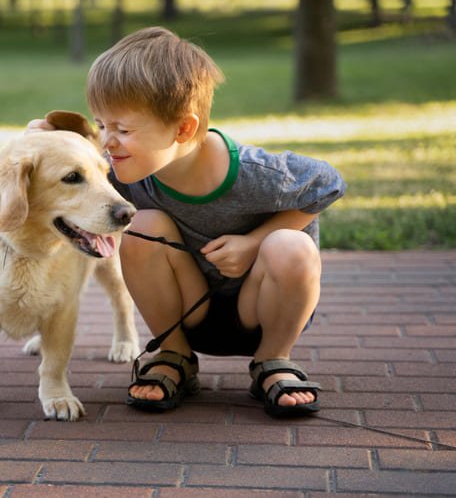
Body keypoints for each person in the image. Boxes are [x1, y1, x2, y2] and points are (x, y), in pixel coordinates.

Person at [28, 26, 346, 417]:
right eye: (102, 124)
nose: (107, 142)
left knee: (290, 245)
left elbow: (329, 183)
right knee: (142, 226)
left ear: (183, 128)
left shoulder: (257, 173)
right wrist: (44, 141)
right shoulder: (130, 170)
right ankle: (173, 354)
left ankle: (273, 362)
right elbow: (75, 181)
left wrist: (254, 242)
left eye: (122, 129)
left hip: (263, 310)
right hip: (187, 312)